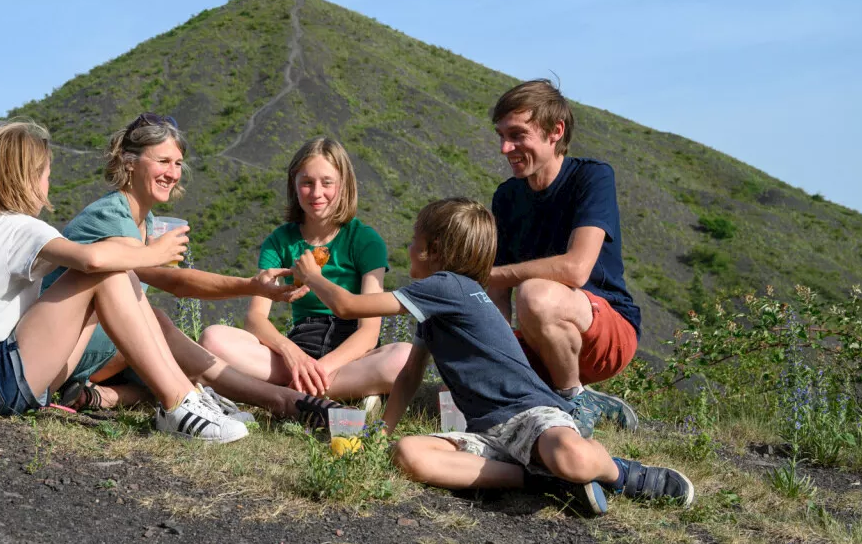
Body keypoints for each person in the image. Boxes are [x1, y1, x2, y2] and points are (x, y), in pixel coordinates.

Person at [292, 197, 694, 516]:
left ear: (434, 251)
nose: (409, 247)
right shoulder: (438, 305)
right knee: (408, 454)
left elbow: (347, 306)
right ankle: (545, 482)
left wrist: (313, 277)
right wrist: (383, 431)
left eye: (415, 239)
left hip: (532, 414)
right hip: (488, 434)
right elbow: (411, 373)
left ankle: (623, 474)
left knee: (569, 454)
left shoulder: (447, 286)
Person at [0, 120, 249, 443]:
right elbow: (92, 260)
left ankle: (186, 398)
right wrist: (153, 253)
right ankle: (178, 405)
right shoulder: (20, 228)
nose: (49, 184)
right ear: (26, 179)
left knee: (112, 275)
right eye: (46, 175)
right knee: (105, 273)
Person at [40, 114, 341, 428]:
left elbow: (171, 281)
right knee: (157, 326)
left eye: (178, 163)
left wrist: (252, 286)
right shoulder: (111, 214)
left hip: (88, 351)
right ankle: (279, 401)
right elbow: (173, 281)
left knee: (162, 354)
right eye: (163, 161)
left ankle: (100, 397)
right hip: (61, 351)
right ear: (130, 163)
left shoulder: (145, 220)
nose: (172, 174)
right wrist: (250, 285)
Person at [200, 137, 412, 404]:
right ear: (294, 185)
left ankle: (290, 393)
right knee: (213, 339)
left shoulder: (366, 241)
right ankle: (346, 393)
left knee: (404, 357)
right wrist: (293, 355)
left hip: (352, 354)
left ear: (344, 185)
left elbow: (369, 332)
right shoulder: (279, 242)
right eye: (307, 183)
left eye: (327, 182)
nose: (316, 193)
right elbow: (255, 319)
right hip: (299, 347)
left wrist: (321, 369)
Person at [486, 80, 640, 437]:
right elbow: (496, 294)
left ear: (555, 131)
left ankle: (573, 398)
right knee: (467, 361)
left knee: (533, 293)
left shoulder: (591, 177)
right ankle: (574, 398)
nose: (505, 147)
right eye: (501, 135)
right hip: (541, 332)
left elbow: (575, 268)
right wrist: (495, 352)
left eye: (517, 135)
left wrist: (497, 275)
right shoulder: (507, 197)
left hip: (606, 327)